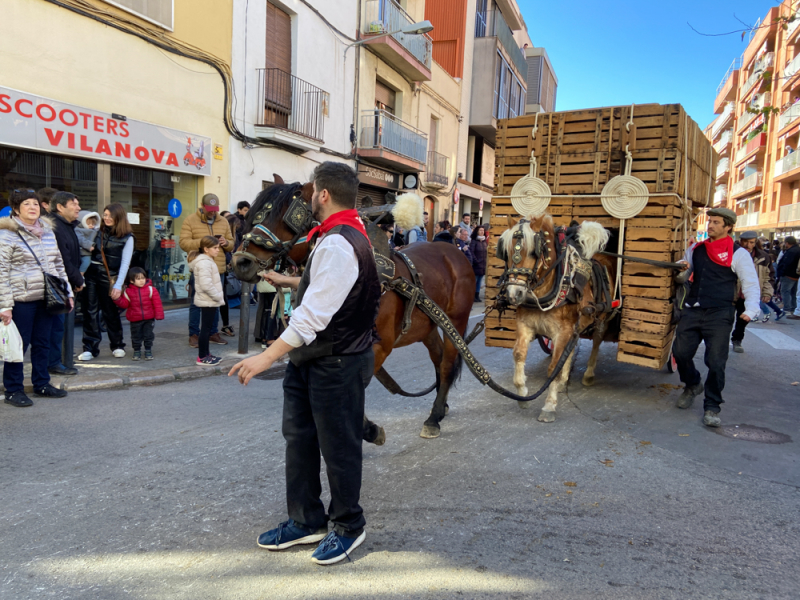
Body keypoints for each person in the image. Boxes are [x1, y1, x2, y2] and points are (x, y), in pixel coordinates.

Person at [229, 161, 380, 566]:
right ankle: (306, 519)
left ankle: (349, 525)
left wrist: (264, 357)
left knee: (339, 448)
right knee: (299, 439)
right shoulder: (340, 235)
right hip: (312, 360)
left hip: (337, 362)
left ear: (323, 195)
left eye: (312, 193)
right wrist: (294, 282)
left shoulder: (337, 242)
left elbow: (312, 317)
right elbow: (334, 287)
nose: (310, 199)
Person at [672, 208, 760, 428]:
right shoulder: (697, 248)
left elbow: (750, 283)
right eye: (709, 221)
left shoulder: (739, 253)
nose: (710, 225)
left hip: (719, 313)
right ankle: (692, 384)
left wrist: (751, 309)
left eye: (716, 222)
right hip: (693, 308)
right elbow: (685, 266)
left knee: (716, 362)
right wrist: (681, 265)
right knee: (680, 352)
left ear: (728, 226)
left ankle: (712, 406)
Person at [0, 189, 72, 407]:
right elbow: (1, 270)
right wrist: (5, 305)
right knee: (18, 346)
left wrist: (67, 292)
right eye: (26, 204)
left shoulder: (48, 232)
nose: (32, 208)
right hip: (21, 300)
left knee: (43, 343)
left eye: (35, 204)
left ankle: (41, 383)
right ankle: (13, 389)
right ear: (15, 209)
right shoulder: (7, 234)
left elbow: (58, 265)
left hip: (46, 297)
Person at [78, 203, 133, 361]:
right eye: (105, 215)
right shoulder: (96, 232)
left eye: (110, 215)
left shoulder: (127, 237)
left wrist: (117, 285)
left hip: (109, 277)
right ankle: (89, 347)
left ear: (119, 217)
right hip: (91, 273)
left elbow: (125, 263)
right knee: (89, 311)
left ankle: (117, 345)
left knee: (110, 312)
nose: (107, 218)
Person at [179, 193, 234, 347]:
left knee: (216, 301)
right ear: (202, 206)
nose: (212, 212)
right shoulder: (190, 220)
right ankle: (194, 334)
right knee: (197, 302)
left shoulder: (223, 221)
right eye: (209, 209)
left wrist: (225, 242)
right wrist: (205, 242)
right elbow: (183, 243)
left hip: (219, 268)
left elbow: (231, 244)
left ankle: (212, 332)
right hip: (199, 267)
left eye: (215, 209)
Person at [49, 192, 84, 376]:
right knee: (55, 327)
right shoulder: (55, 226)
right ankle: (53, 363)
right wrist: (77, 280)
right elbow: (63, 258)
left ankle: (57, 362)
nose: (78, 207)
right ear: (60, 207)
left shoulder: (67, 226)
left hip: (65, 283)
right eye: (74, 204)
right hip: (57, 284)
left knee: (58, 327)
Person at [731, 231, 775, 351]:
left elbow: (769, 277)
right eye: (745, 241)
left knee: (743, 320)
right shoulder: (733, 252)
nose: (747, 244)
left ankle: (737, 340)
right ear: (740, 241)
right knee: (726, 319)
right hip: (731, 292)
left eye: (751, 242)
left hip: (747, 295)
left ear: (755, 242)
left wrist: (767, 292)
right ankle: (721, 341)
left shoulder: (763, 257)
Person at [189, 236, 225, 366]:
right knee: (205, 329)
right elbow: (206, 285)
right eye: (215, 248)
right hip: (208, 299)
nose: (217, 250)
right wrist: (217, 296)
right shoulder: (204, 263)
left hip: (209, 299)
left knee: (207, 328)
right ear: (206, 249)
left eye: (218, 248)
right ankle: (202, 357)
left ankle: (206, 354)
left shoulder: (207, 261)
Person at [114, 267, 165, 360]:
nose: (142, 281)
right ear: (132, 281)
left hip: (149, 318)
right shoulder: (128, 292)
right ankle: (137, 351)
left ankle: (148, 350)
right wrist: (117, 299)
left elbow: (157, 303)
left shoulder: (151, 289)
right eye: (138, 279)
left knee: (148, 335)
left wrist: (159, 314)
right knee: (136, 336)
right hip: (135, 319)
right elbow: (125, 304)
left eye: (143, 278)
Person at [776, 236, 800, 319]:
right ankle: (793, 307)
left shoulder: (791, 251)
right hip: (796, 275)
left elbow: (787, 263)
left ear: (787, 243)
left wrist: (782, 273)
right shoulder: (797, 250)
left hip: (788, 275)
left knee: (785, 291)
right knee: (793, 293)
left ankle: (787, 308)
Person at [75, 210, 100, 275]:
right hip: (83, 251)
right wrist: (89, 246)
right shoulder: (78, 230)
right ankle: (81, 274)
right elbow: (81, 239)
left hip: (88, 252)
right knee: (86, 262)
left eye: (93, 224)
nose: (91, 226)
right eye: (88, 224)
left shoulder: (95, 230)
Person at [470, 225, 488, 302]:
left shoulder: (484, 242)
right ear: (477, 231)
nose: (482, 232)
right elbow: (471, 252)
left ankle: (477, 295)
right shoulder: (474, 241)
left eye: (483, 230)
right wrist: (476, 261)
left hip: (483, 264)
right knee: (475, 280)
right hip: (477, 264)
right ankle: (472, 295)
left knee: (479, 281)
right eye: (480, 230)